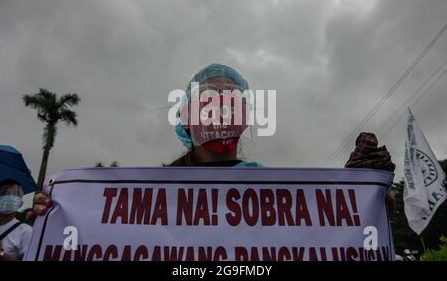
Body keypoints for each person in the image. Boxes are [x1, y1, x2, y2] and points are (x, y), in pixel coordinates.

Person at [28, 63, 395, 217]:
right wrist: (59, 215)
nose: (220, 107)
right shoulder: (151, 192)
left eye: (231, 99)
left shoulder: (276, 189)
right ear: (186, 119)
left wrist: (363, 198)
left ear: (246, 118)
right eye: (208, 99)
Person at [0, 181, 33, 261]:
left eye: (15, 195)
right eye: (4, 193)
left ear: (20, 203)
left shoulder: (25, 231)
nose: (9, 197)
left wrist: (0, 254)